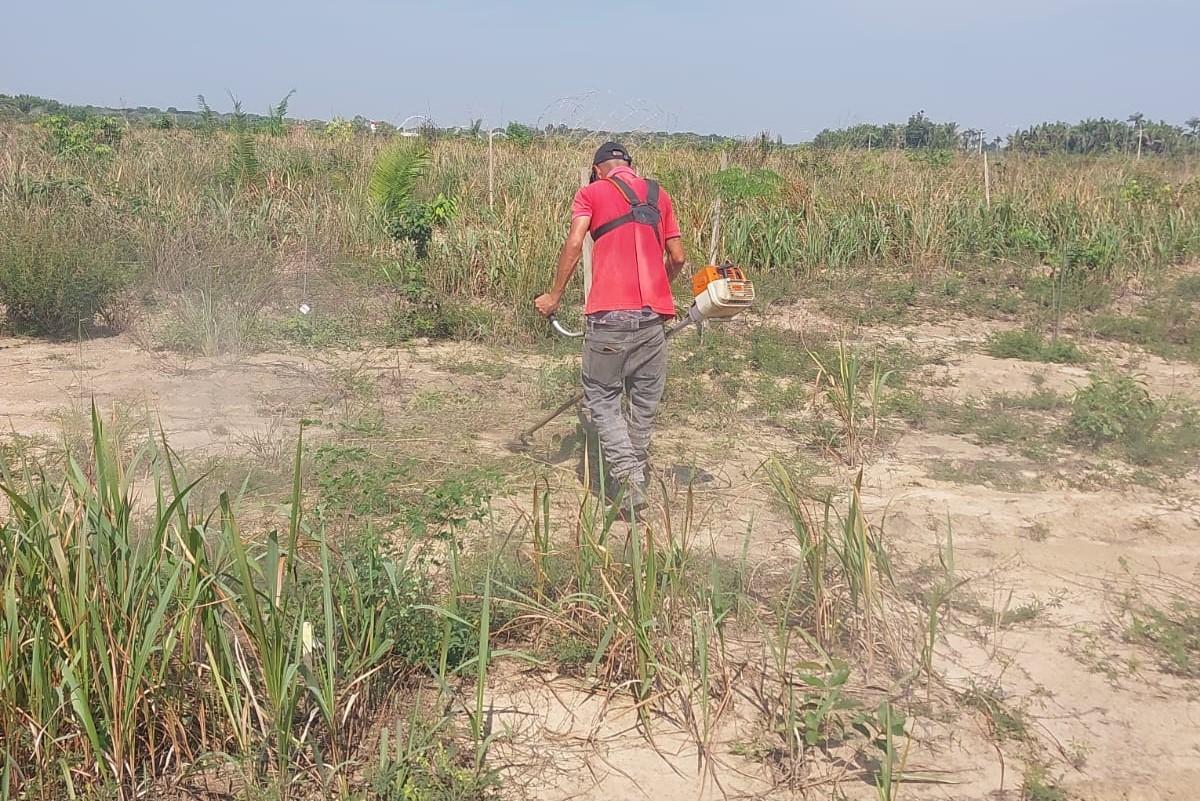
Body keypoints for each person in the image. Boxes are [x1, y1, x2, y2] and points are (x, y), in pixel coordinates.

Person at [534, 141, 688, 509]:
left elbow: (575, 242)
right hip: (652, 319)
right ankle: (633, 477)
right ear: (629, 167)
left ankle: (629, 478)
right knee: (643, 401)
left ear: (597, 168)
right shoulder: (658, 194)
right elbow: (679, 258)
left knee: (602, 398)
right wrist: (658, 287)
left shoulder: (590, 193)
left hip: (609, 319)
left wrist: (554, 296)